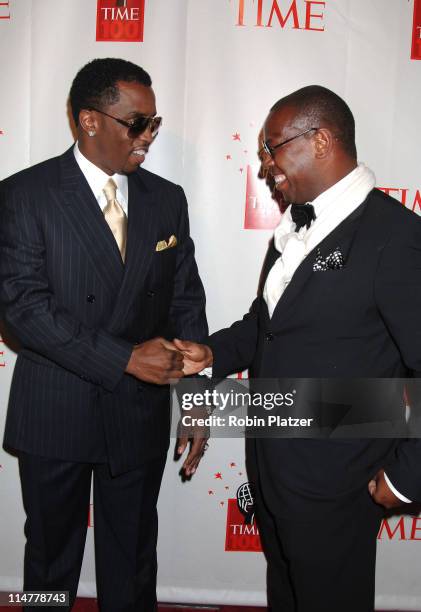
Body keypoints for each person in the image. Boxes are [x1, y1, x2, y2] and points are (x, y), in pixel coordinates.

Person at [174, 85, 421, 612]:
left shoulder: (395, 237)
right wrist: (210, 356)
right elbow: (265, 326)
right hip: (272, 464)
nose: (266, 166)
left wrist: (406, 477)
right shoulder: (294, 226)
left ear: (323, 141)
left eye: (273, 148)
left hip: (340, 480)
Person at [0, 58, 208, 611]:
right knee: (48, 558)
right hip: (55, 407)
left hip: (137, 414)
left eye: (154, 124)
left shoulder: (167, 199)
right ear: (90, 120)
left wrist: (196, 397)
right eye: (137, 124)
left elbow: (185, 301)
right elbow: (22, 309)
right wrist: (124, 359)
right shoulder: (25, 195)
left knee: (135, 557)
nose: (148, 138)